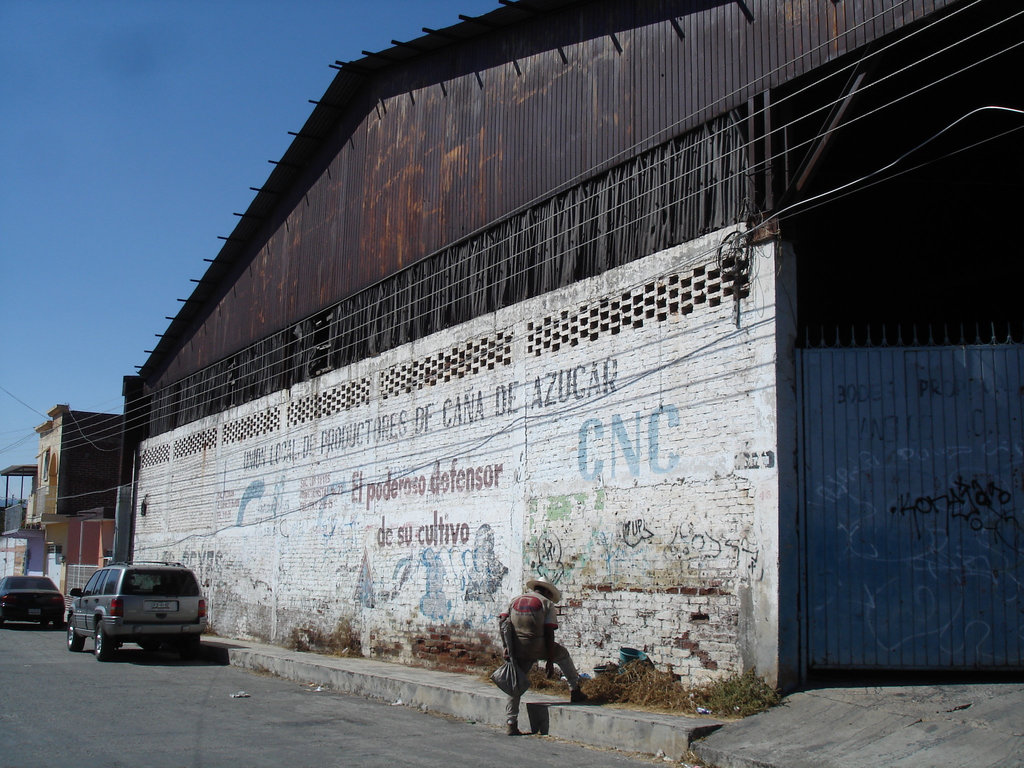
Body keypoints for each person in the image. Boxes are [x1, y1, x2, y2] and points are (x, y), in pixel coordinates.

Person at [499, 578, 587, 735]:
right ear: (547, 591)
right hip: (538, 645)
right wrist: (550, 660)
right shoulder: (547, 603)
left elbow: (503, 621)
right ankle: (574, 689)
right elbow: (549, 633)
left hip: (517, 648)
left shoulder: (515, 600)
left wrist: (506, 646)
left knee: (516, 682)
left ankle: (511, 722)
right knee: (563, 655)